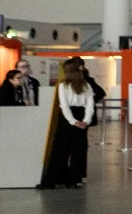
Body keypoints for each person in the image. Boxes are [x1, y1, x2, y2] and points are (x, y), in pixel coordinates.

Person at [38, 59, 93, 190]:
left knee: (59, 150)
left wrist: (73, 121)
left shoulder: (63, 86)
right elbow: (90, 105)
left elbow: (64, 106)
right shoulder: (87, 86)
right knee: (78, 150)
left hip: (67, 119)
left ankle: (51, 181)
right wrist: (85, 121)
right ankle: (73, 180)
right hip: (81, 116)